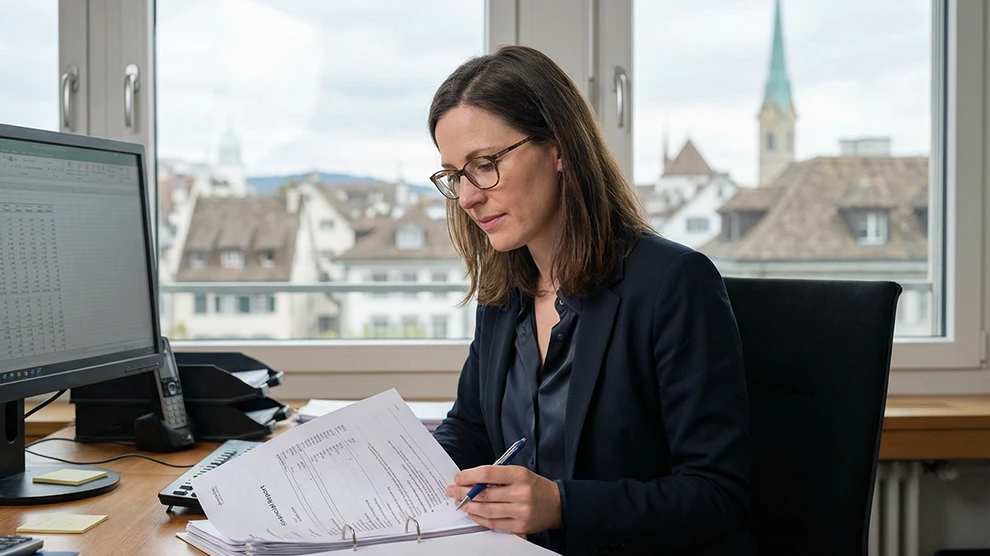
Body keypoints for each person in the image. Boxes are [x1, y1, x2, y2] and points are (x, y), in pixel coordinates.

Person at [428, 45, 757, 556]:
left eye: (485, 164)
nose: (468, 196)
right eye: (454, 175)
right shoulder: (504, 290)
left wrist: (561, 504)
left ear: (559, 149)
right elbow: (471, 427)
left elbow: (717, 494)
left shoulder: (674, 284)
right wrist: (402, 465)